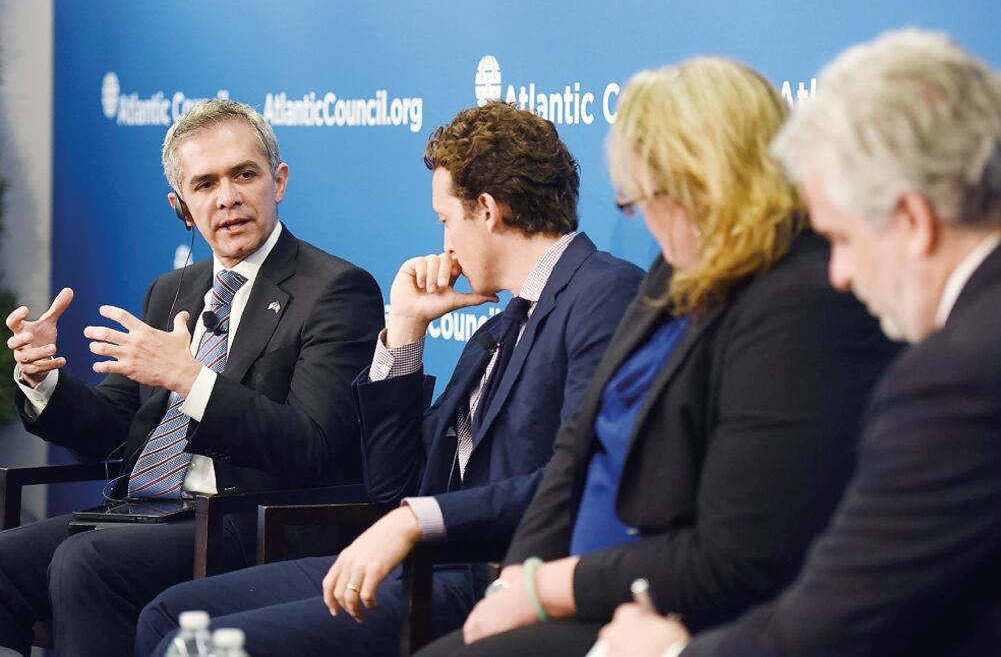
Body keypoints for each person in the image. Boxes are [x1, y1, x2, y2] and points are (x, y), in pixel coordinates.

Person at [415, 57, 901, 657]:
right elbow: (574, 454)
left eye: (650, 195)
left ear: (706, 180)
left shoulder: (801, 304)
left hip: (669, 613)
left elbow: (735, 557)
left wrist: (545, 590)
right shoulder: (677, 266)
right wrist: (516, 578)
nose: (645, 218)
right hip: (577, 589)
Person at [135, 101, 644, 656]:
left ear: (488, 212)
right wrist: (404, 333)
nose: (444, 241)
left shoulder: (602, 294)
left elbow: (576, 478)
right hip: (425, 565)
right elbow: (390, 486)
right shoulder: (499, 328)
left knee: (203, 647)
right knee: (170, 615)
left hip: (487, 575)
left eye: (445, 219)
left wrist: (416, 521)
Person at [596, 29, 1001, 657]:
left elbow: (832, 627)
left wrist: (665, 653)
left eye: (839, 238)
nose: (838, 273)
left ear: (914, 221)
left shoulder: (957, 379)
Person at [0, 98, 385, 657]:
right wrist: (42, 381)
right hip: (146, 514)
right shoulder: (172, 289)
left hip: (251, 523)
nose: (227, 197)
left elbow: (312, 446)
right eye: (205, 185)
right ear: (183, 207)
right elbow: (115, 425)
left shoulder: (335, 291)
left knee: (84, 563)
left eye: (244, 175)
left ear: (278, 181)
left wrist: (192, 381)